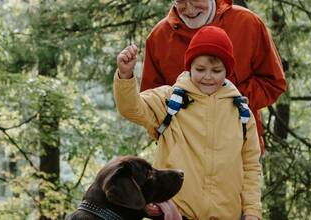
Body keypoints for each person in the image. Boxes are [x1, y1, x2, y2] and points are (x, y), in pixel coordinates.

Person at [114, 26, 261, 220]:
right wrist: (125, 76)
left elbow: (251, 167)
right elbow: (131, 108)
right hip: (174, 214)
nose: (208, 76)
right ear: (189, 67)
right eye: (200, 69)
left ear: (227, 70)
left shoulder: (242, 113)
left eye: (216, 70)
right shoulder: (168, 100)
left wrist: (252, 213)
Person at [140, 0, 287, 155]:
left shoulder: (247, 23)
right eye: (180, 1)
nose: (189, 9)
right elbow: (150, 106)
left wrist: (230, 103)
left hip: (239, 149)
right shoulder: (158, 38)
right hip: (183, 154)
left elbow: (273, 82)